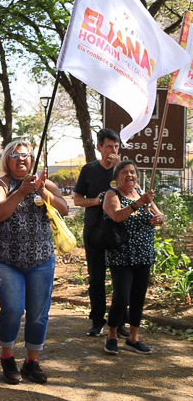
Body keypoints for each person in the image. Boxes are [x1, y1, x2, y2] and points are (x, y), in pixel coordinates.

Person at [0, 140, 68, 385]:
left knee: (38, 314)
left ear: (32, 159)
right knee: (12, 309)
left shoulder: (45, 184)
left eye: (26, 155)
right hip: (4, 259)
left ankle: (32, 361)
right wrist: (21, 192)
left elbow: (63, 209)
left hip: (41, 259)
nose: (21, 159)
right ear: (6, 160)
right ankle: (7, 356)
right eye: (15, 155)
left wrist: (42, 191)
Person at [101, 160, 164, 355]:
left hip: (144, 254)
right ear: (117, 177)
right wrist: (139, 203)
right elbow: (117, 216)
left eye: (133, 172)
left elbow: (159, 215)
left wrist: (159, 218)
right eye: (125, 173)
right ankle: (112, 335)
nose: (130, 176)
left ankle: (133, 339)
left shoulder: (141, 193)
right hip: (122, 254)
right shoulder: (112, 194)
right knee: (121, 298)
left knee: (138, 298)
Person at [74, 128, 129, 338]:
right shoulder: (88, 170)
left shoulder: (124, 169)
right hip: (95, 232)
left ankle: (120, 322)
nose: (113, 150)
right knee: (96, 278)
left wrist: (120, 169)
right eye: (109, 147)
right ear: (99, 148)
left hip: (119, 232)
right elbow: (77, 200)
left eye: (116, 147)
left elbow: (136, 194)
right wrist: (96, 201)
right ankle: (97, 321)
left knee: (120, 279)